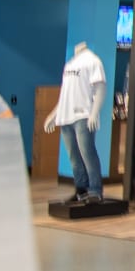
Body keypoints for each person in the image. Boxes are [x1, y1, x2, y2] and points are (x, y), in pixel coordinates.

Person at [45, 43, 107, 204]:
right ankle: (81, 190)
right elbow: (65, 94)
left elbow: (100, 88)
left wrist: (94, 113)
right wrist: (53, 115)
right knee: (74, 156)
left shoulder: (93, 61)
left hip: (83, 114)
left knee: (88, 153)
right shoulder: (70, 64)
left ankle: (95, 190)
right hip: (66, 116)